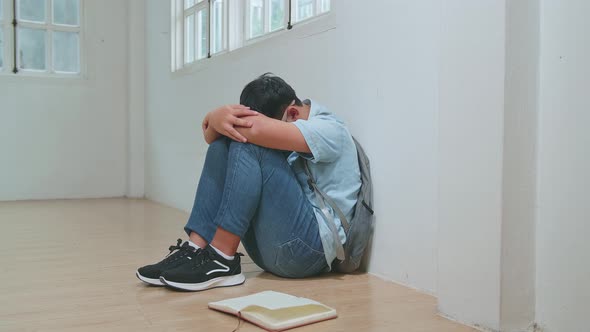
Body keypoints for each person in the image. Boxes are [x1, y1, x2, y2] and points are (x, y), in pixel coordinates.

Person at [136, 73, 361, 291]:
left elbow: (254, 130)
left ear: (292, 113)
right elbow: (216, 136)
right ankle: (195, 249)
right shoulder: (296, 121)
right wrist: (215, 119)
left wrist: (215, 117)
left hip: (309, 252)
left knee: (248, 142)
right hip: (273, 248)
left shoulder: (331, 129)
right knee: (222, 144)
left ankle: (222, 259)